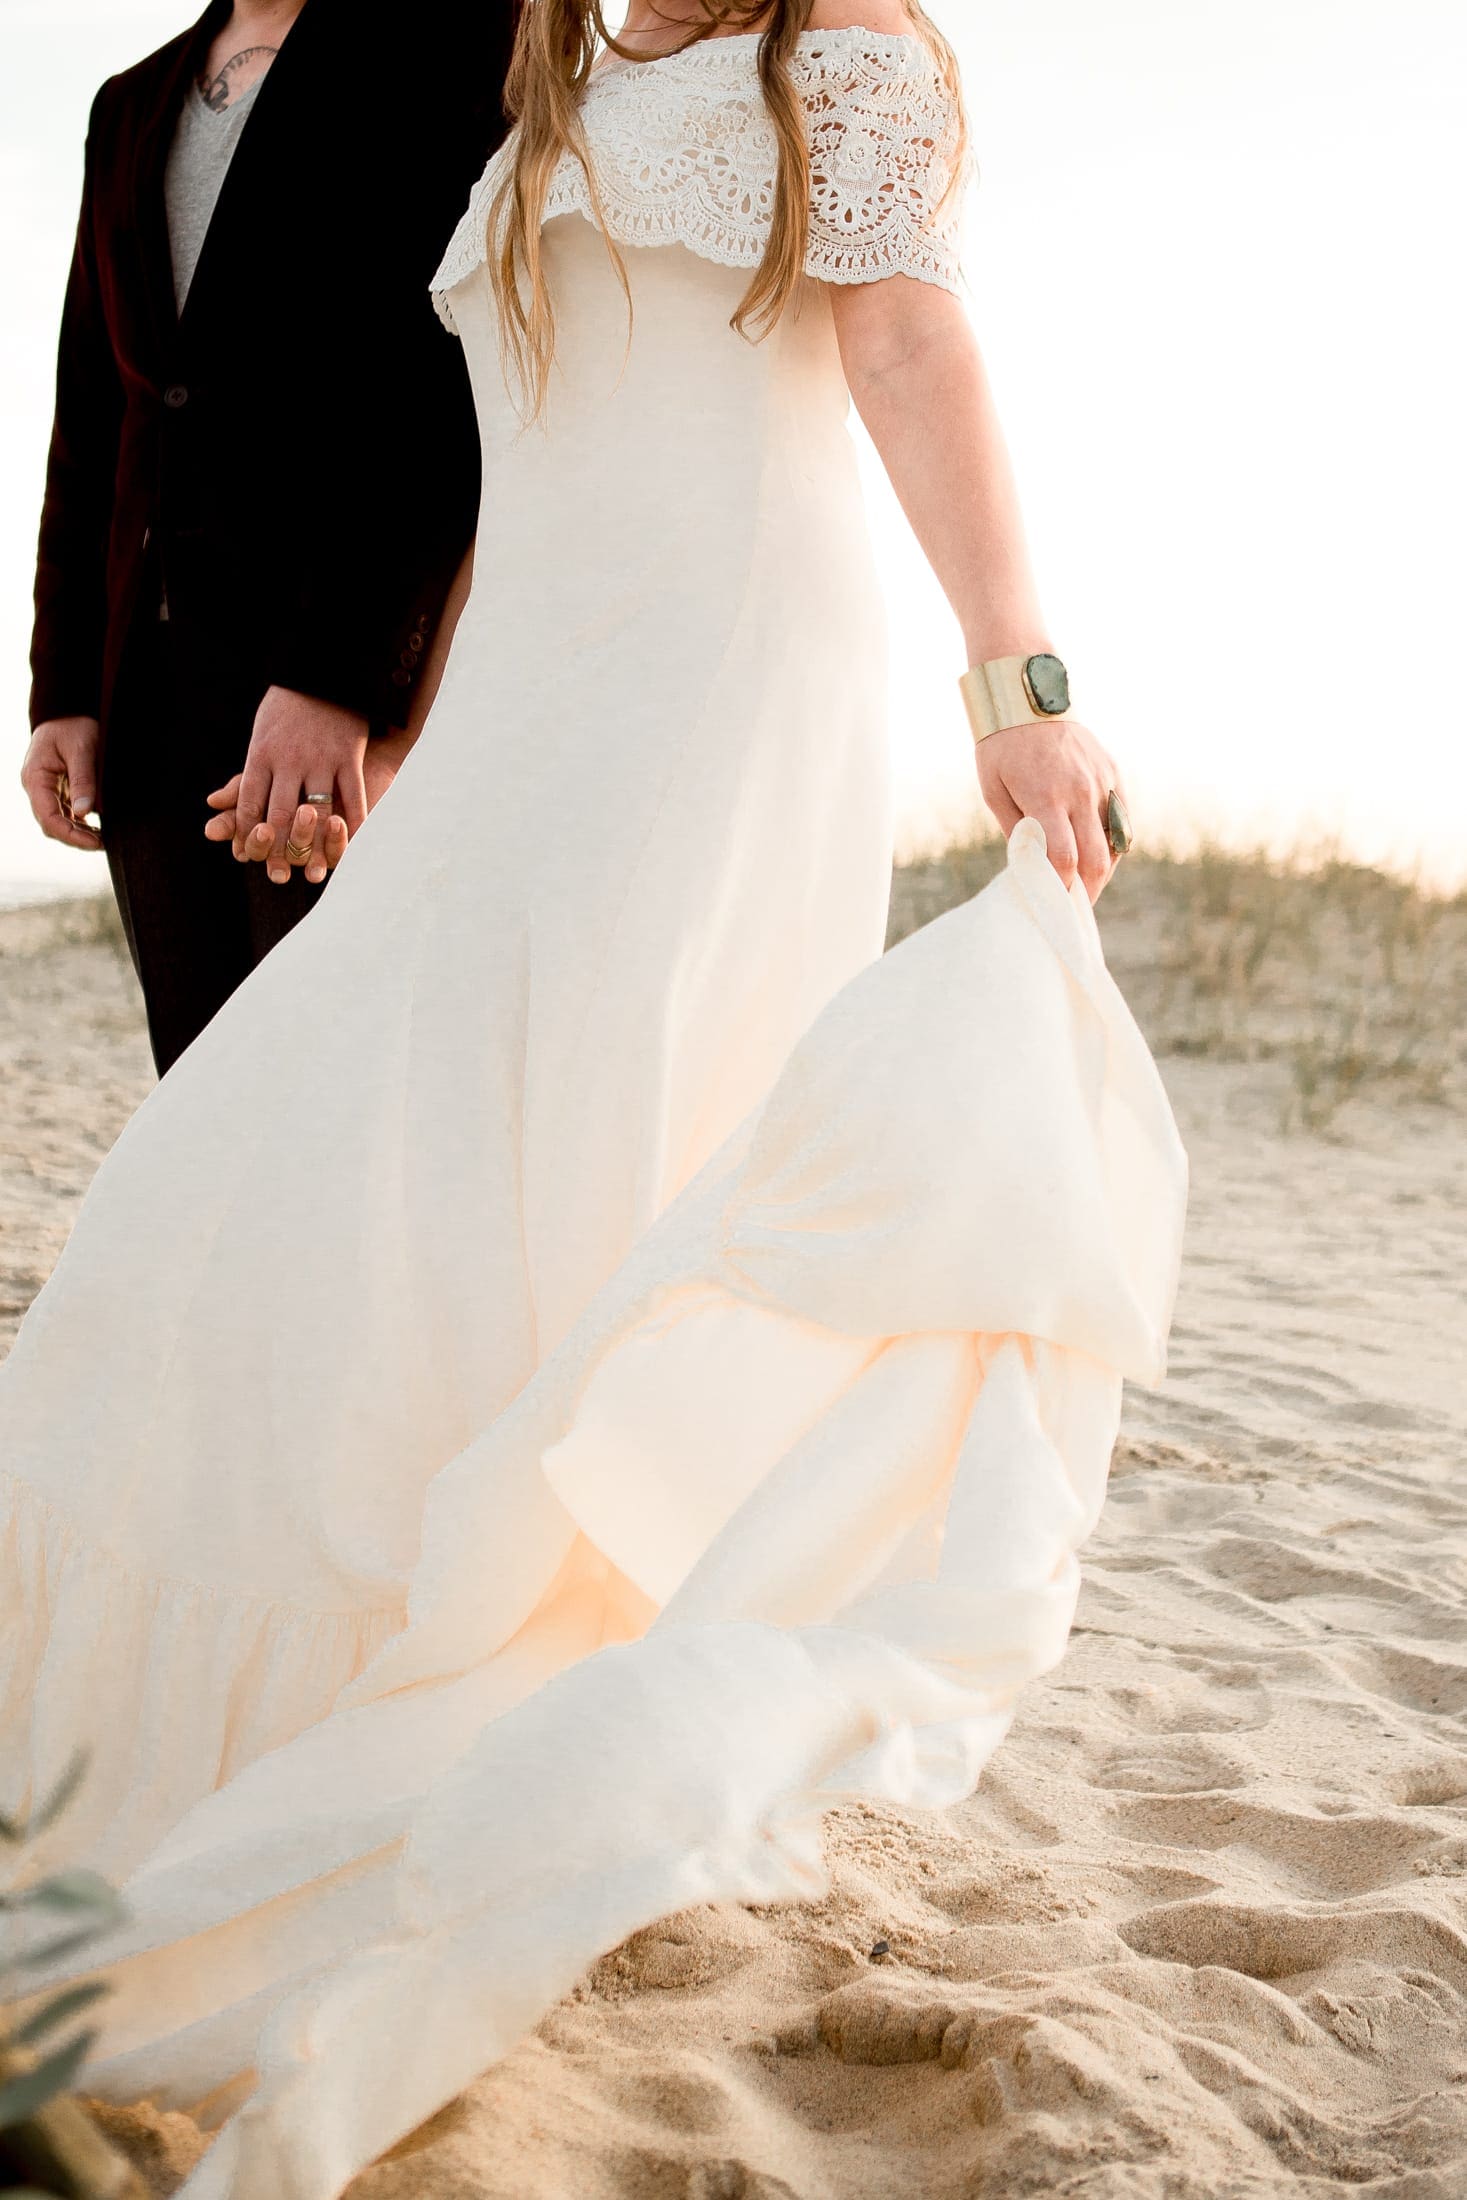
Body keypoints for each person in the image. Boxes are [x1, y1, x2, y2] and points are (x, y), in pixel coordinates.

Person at [0, 4, 1184, 2192]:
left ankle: (552, 1678)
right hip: (537, 686)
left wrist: (1017, 685)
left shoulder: (833, 52)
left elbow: (910, 348)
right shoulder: (553, 59)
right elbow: (475, 429)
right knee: (331, 1143)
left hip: (721, 669)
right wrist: (393, 702)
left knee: (576, 1121)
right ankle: (375, 1656)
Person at [20, 0, 516, 1073]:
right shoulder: (130, 104)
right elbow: (96, 417)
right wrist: (64, 687)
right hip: (149, 704)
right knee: (198, 1085)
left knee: (345, 1088)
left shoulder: (454, 38)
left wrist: (340, 680)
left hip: (337, 694)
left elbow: (442, 383)